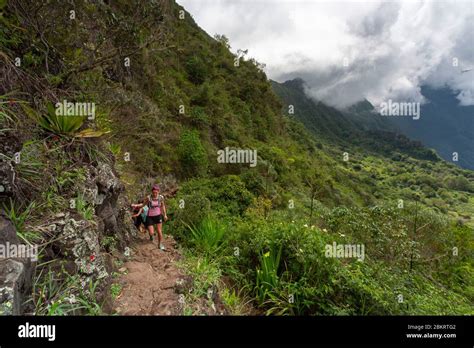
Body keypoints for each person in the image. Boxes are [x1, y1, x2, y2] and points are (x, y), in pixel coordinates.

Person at [132, 184, 168, 250]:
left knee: (159, 231)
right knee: (152, 232)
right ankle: (151, 236)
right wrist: (136, 206)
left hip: (158, 216)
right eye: (153, 192)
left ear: (158, 192)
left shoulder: (161, 198)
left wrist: (165, 214)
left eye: (156, 192)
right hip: (150, 216)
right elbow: (143, 205)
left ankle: (160, 244)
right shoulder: (149, 198)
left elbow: (163, 206)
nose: (155, 194)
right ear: (152, 192)